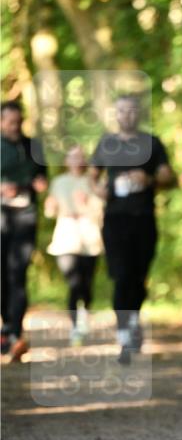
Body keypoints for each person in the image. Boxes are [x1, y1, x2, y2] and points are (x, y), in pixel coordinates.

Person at [89, 94, 176, 364]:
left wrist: (148, 178)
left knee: (138, 278)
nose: (126, 115)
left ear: (138, 114)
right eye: (121, 111)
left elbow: (169, 177)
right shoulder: (107, 142)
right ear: (115, 114)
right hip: (115, 219)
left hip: (143, 218)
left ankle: (133, 319)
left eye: (131, 110)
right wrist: (99, 190)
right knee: (121, 276)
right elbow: (91, 175)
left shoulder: (152, 143)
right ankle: (124, 333)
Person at [1, 99, 48, 362]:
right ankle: (6, 327)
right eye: (10, 122)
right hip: (1, 217)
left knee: (18, 274)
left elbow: (42, 176)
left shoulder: (33, 146)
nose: (15, 126)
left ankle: (15, 334)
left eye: (19, 122)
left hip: (25, 216)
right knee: (2, 276)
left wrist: (38, 184)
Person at [44, 145, 104, 344]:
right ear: (66, 161)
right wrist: (50, 206)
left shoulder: (93, 181)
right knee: (73, 282)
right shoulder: (59, 182)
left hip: (90, 238)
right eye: (72, 157)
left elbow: (101, 211)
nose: (77, 161)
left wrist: (86, 205)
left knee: (86, 284)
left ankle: (84, 313)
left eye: (80, 157)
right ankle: (74, 326)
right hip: (66, 238)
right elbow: (50, 212)